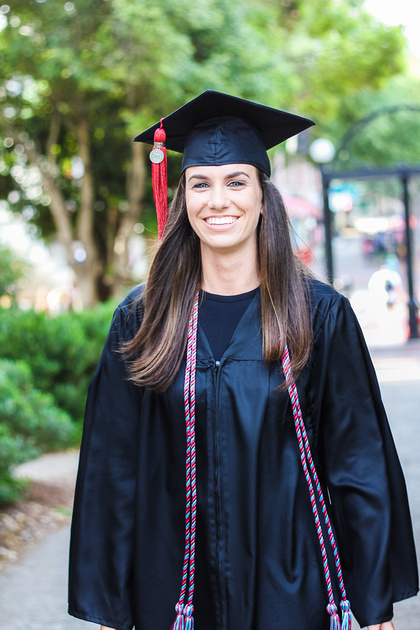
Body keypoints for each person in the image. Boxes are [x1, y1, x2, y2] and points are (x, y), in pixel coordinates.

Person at [68, 91, 418, 630]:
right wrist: (111, 611)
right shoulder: (141, 319)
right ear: (182, 197)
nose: (218, 200)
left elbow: (359, 462)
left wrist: (374, 609)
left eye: (236, 181)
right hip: (176, 591)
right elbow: (112, 471)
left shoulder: (320, 315)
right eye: (201, 183)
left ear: (262, 196)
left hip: (298, 588)